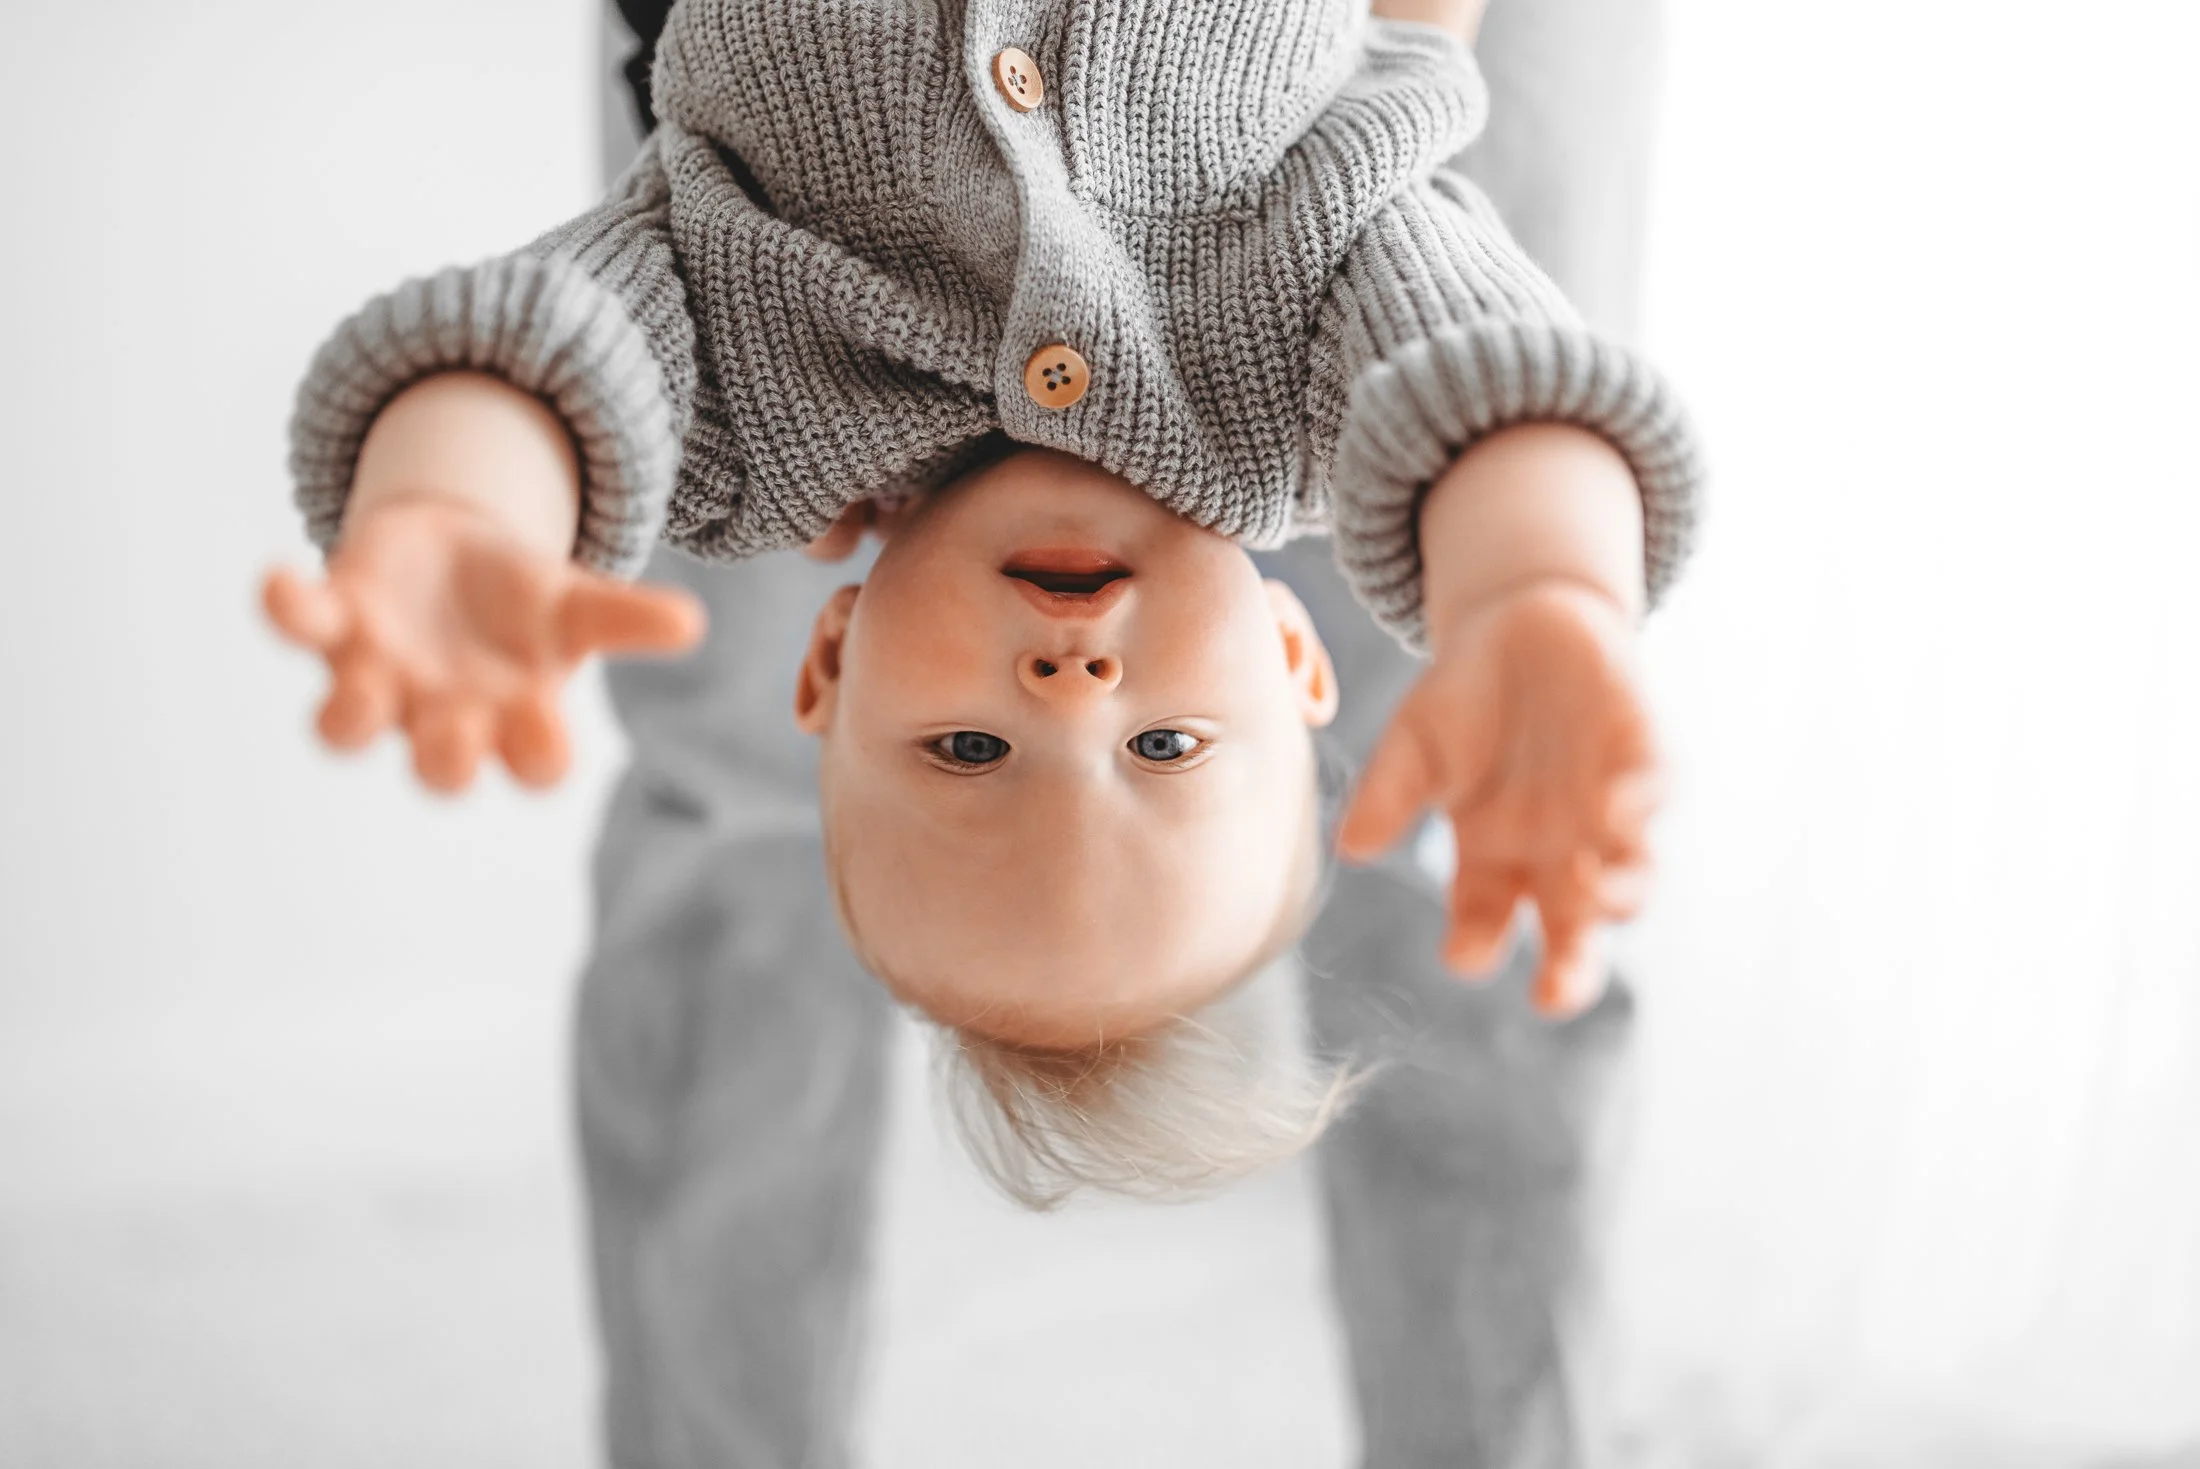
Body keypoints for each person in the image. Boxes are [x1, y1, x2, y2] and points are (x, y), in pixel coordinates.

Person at [264, 0, 1690, 1460]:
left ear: (826, 662)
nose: (1069, 698)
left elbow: (551, 349)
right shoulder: (1305, 353)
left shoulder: (762, 414)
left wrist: (454, 509)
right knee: (1469, 830)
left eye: (968, 754)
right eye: (1165, 752)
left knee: (733, 818)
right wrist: (1538, 600)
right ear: (1285, 647)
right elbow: (1494, 380)